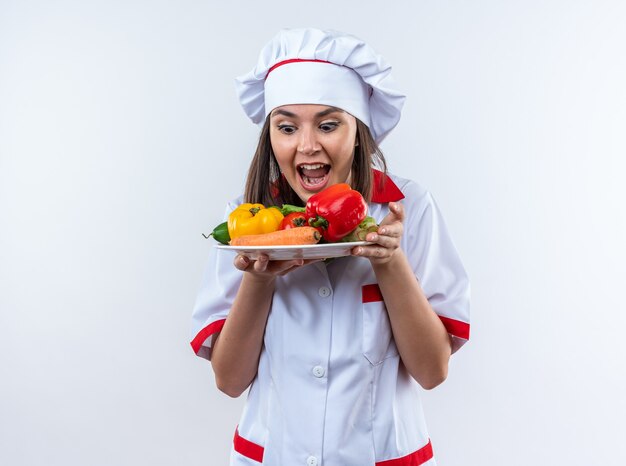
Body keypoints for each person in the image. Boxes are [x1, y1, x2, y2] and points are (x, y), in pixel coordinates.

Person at [191, 28, 470, 466]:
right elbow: (229, 380)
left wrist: (390, 261)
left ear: (359, 132)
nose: (307, 145)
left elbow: (432, 372)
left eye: (327, 124)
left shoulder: (407, 208)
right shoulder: (248, 224)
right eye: (286, 127)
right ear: (271, 138)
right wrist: (258, 281)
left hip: (382, 454)